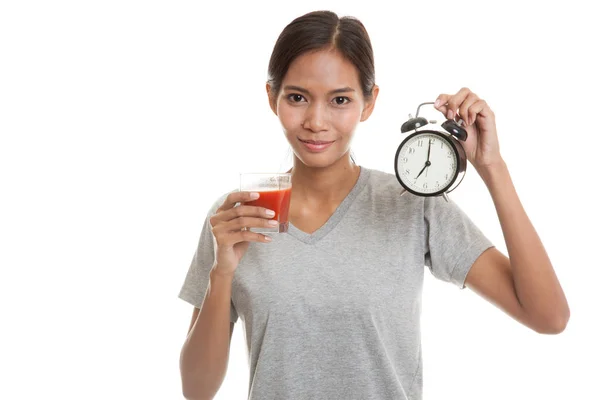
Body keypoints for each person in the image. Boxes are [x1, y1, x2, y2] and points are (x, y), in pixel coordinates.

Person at [178, 10, 570, 400]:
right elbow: (196, 389)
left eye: (340, 100)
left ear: (369, 103)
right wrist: (221, 274)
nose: (316, 120)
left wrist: (492, 167)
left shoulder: (411, 205)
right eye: (297, 97)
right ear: (271, 97)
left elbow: (549, 317)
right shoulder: (239, 216)